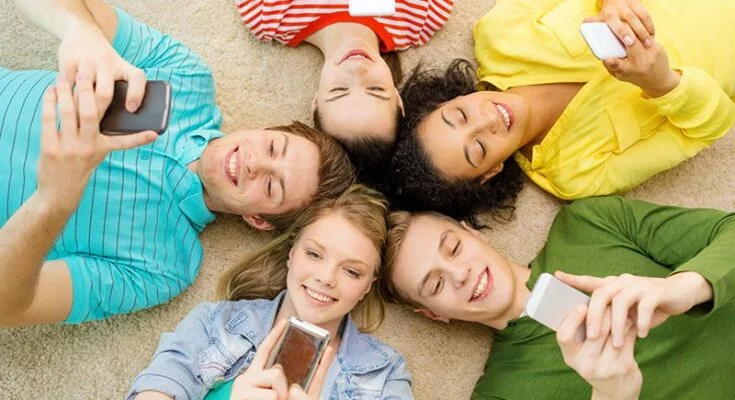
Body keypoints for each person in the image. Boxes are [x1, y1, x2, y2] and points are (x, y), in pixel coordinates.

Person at [0, 0, 354, 327]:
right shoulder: (185, 77)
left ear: (258, 219)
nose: (255, 164)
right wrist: (80, 30)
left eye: (271, 186)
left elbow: (9, 306)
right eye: (273, 147)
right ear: (264, 129)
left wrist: (53, 201)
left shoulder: (165, 266)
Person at [389, 0, 735, 224]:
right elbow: (711, 126)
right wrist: (660, 82)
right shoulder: (576, 175)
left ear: (448, 100)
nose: (488, 120)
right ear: (491, 172)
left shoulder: (500, 35)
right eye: (478, 148)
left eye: (461, 115)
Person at [380, 196, 735, 399]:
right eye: (436, 285)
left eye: (454, 248)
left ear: (473, 232)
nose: (460, 274)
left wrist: (682, 288)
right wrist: (613, 394)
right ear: (433, 314)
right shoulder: (502, 394)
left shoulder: (585, 224)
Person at [125, 185, 413, 400]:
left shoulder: (385, 373)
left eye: (351, 271)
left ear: (367, 286)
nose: (326, 278)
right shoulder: (214, 324)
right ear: (292, 254)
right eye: (314, 254)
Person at [235, 0, 454, 183]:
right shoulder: (422, 16)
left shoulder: (267, 14)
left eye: (339, 90)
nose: (356, 69)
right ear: (398, 99)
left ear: (316, 102)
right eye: (375, 89)